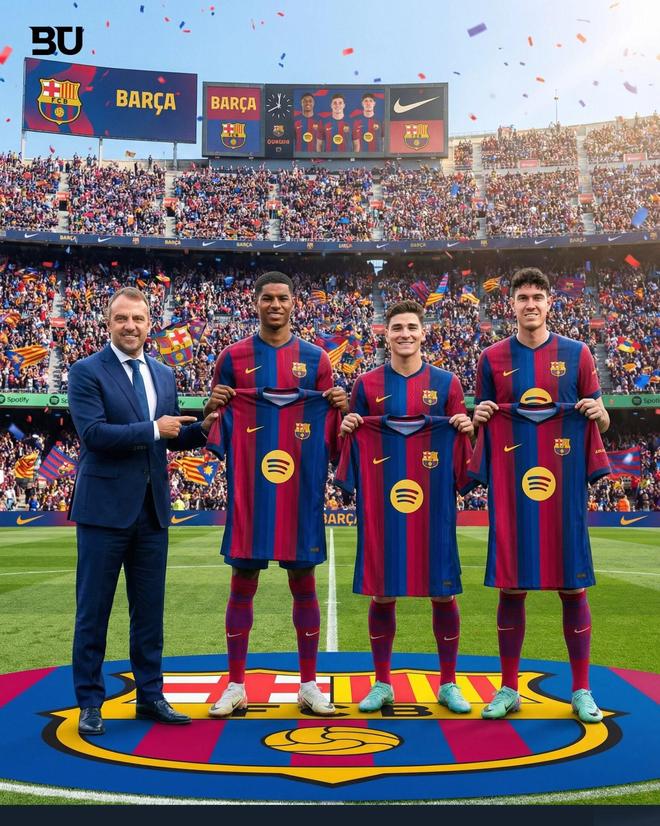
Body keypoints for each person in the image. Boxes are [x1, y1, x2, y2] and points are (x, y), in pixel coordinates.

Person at [68, 287, 216, 736]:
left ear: (151, 324)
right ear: (108, 323)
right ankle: (90, 702)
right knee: (93, 612)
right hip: (103, 512)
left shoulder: (163, 374)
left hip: (152, 512)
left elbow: (172, 436)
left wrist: (205, 426)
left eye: (138, 319)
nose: (130, 326)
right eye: (122, 319)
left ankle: (151, 695)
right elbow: (94, 435)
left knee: (149, 613)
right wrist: (154, 428)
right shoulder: (85, 371)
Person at [204, 271, 348, 718]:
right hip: (251, 496)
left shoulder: (316, 359)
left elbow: (333, 431)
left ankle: (308, 685)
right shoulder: (232, 357)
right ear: (256, 303)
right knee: (242, 583)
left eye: (283, 298)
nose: (275, 305)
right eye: (267, 298)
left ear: (293, 303)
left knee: (303, 584)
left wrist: (340, 408)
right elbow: (213, 422)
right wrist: (213, 407)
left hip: (299, 496)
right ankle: (236, 686)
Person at [472, 267, 610, 723]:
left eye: (537, 297)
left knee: (572, 586)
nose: (530, 304)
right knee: (511, 586)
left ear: (550, 302)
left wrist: (598, 413)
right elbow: (480, 422)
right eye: (522, 298)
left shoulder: (578, 353)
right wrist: (480, 417)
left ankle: (582, 690)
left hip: (563, 489)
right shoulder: (491, 358)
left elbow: (602, 419)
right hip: (513, 490)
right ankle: (509, 688)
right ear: (510, 304)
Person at [340, 300, 474, 713]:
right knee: (382, 595)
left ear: (423, 333)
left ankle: (448, 683)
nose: (405, 334)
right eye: (397, 327)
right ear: (386, 334)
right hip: (383, 510)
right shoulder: (366, 385)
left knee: (443, 594)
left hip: (434, 508)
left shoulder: (447, 384)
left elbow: (464, 452)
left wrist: (465, 429)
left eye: (412, 327)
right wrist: (348, 428)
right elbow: (352, 443)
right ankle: (382, 682)